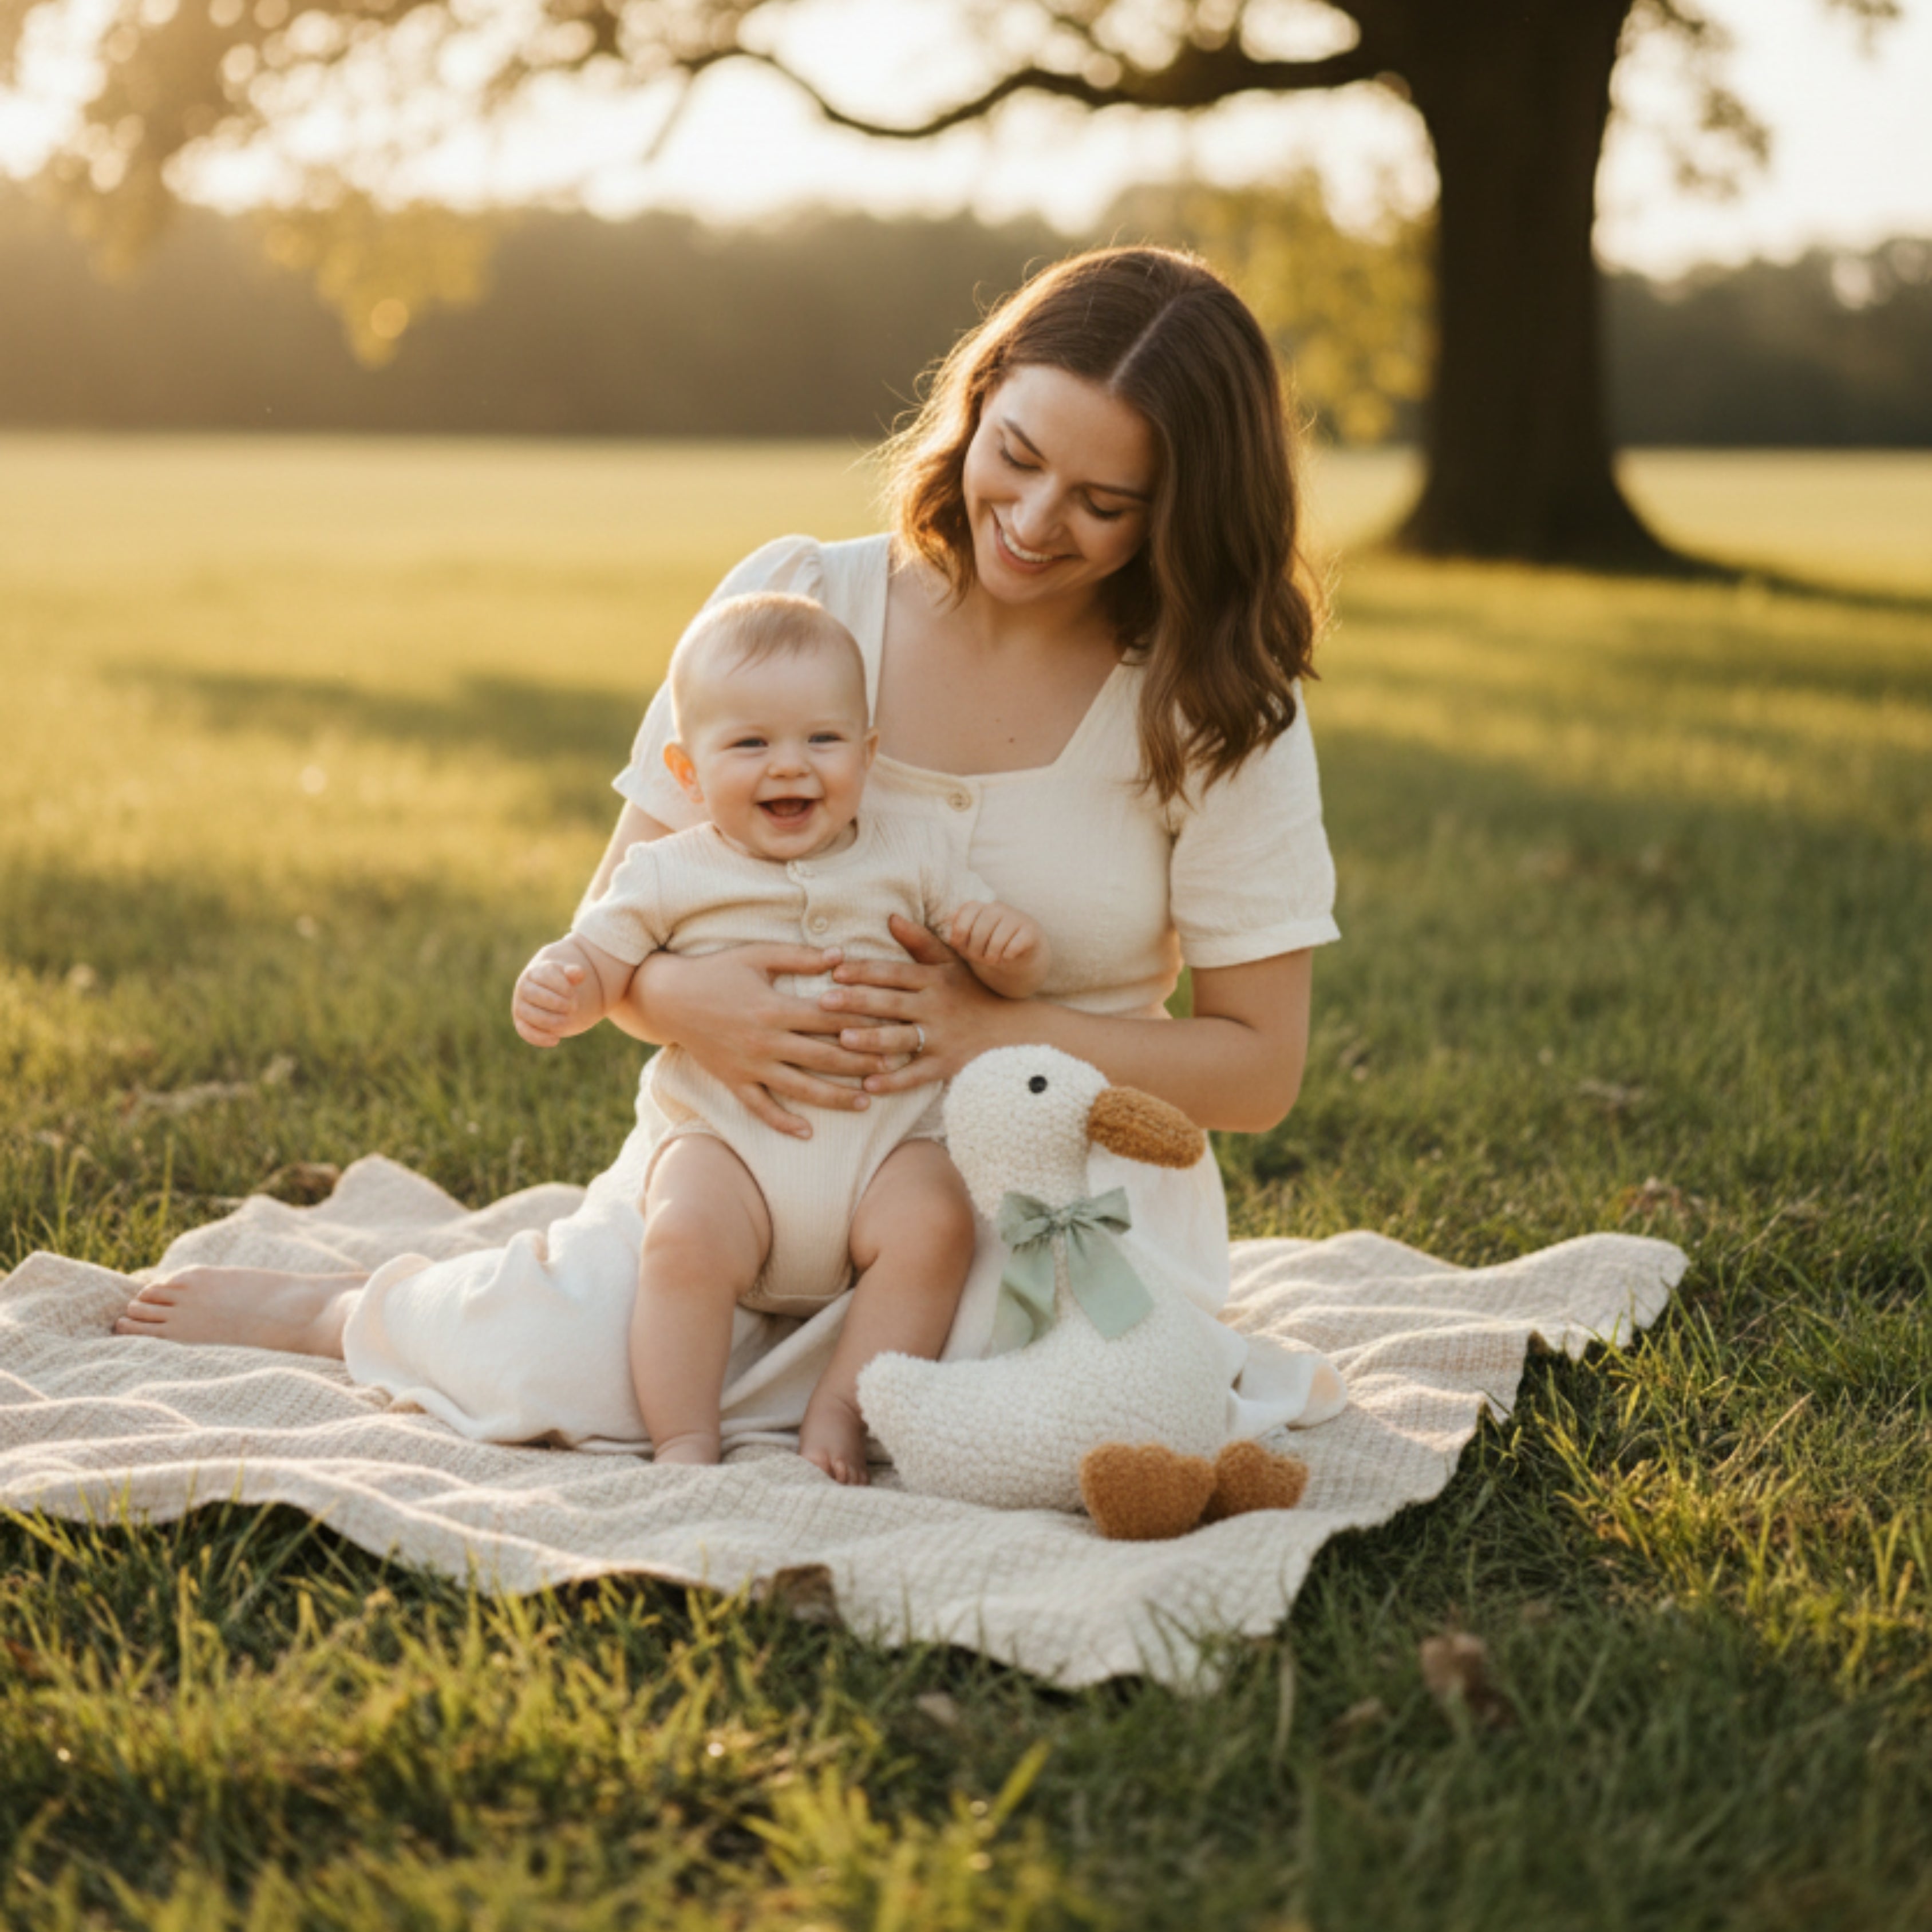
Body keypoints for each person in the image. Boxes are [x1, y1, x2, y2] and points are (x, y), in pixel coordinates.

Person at [113, 243, 1347, 1456]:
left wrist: (988, 1035)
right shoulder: (799, 604)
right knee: (559, 1366)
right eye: (1014, 457)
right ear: (975, 406)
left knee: (1021, 1418)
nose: (1030, 521)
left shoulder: (1218, 706)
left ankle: (853, 1387)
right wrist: (678, 996)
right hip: (749, 1159)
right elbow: (623, 914)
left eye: (1102, 503)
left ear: (1181, 514)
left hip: (1031, 1195)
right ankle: (346, 1315)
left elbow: (1256, 1068)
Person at [510, 589, 1049, 1481]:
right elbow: (601, 960)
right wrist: (564, 987)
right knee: (680, 1240)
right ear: (686, 775)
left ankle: (838, 1415)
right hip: (729, 1147)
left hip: (886, 1146)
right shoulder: (668, 872)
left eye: (823, 741)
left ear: (868, 756)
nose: (790, 767)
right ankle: (684, 1436)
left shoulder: (912, 855)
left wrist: (1012, 953)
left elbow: (993, 963)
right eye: (751, 744)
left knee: (938, 1223)